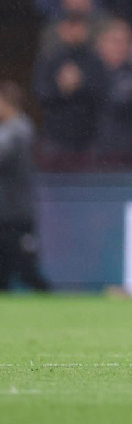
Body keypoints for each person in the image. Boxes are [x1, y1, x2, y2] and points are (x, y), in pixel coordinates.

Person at [0, 82, 51, 292]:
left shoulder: (19, 130)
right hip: (6, 211)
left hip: (16, 212)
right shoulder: (9, 130)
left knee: (26, 267)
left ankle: (52, 303)